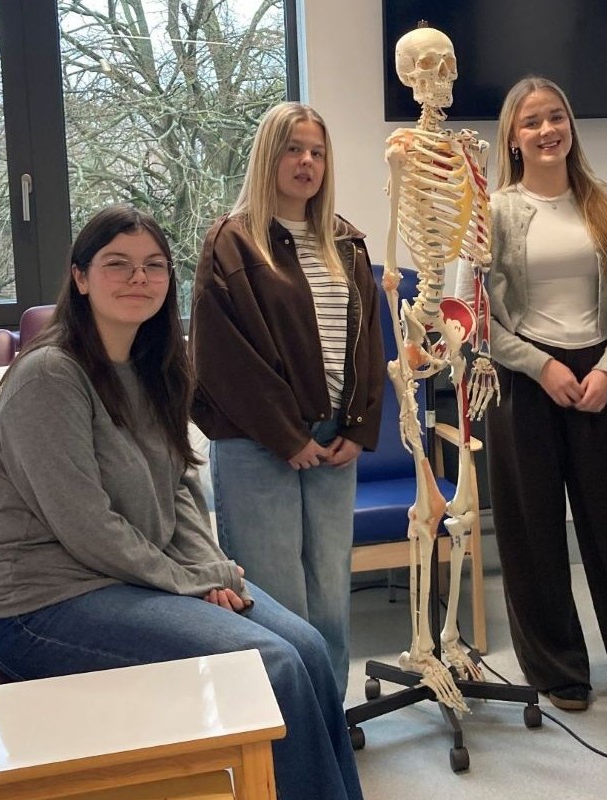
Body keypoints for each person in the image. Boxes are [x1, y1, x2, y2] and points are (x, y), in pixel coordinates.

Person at [0, 205, 364, 800]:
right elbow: (86, 525)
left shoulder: (155, 368)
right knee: (273, 663)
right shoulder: (50, 376)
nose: (139, 278)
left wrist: (209, 567)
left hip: (133, 580)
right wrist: (186, 582)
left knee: (306, 645)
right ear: (80, 277)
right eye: (117, 264)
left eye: (153, 266)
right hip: (42, 603)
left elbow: (180, 487)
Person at [472, 75, 607, 711]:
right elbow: (473, 316)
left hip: (597, 376)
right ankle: (558, 670)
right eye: (532, 122)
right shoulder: (494, 211)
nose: (547, 130)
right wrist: (540, 366)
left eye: (557, 117)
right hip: (524, 382)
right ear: (513, 138)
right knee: (532, 533)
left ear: (570, 125)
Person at [190, 102, 383, 696]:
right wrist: (286, 435)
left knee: (329, 595)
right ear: (267, 157)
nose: (306, 162)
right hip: (259, 443)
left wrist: (359, 426)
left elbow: (367, 343)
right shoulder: (231, 242)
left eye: (317, 152)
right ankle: (282, 725)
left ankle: (328, 715)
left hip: (333, 441)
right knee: (277, 599)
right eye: (293, 149)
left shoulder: (346, 243)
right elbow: (224, 360)